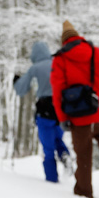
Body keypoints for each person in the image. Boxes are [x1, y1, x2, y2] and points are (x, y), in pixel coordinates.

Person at [51, 21, 99, 198]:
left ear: (64, 41)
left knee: (84, 155)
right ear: (79, 37)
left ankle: (84, 193)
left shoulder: (60, 59)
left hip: (79, 114)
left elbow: (57, 92)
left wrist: (62, 118)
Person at [14, 41, 72, 182]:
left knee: (48, 148)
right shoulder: (58, 63)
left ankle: (52, 181)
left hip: (44, 110)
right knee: (58, 138)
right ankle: (65, 156)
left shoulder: (35, 68)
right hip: (60, 110)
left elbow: (21, 89)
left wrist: (16, 80)